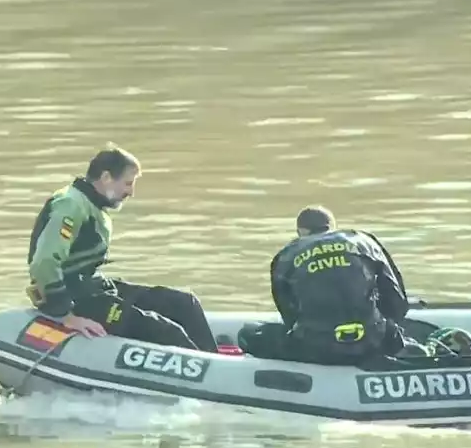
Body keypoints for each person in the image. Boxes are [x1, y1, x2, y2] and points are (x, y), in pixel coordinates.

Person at [25, 145, 218, 352]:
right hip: (75, 298)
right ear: (106, 177)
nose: (131, 192)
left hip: (94, 287)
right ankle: (211, 376)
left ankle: (216, 363)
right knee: (166, 332)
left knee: (184, 303)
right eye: (128, 183)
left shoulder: (91, 204)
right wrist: (66, 315)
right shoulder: (70, 205)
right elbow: (44, 262)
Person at [238, 206, 411, 364]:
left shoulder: (286, 255)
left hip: (316, 349)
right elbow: (398, 303)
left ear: (300, 231)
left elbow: (289, 316)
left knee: (248, 333)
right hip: (373, 342)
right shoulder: (364, 241)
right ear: (333, 226)